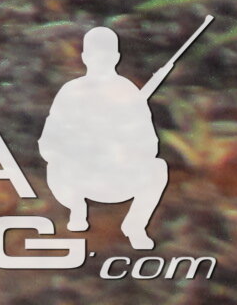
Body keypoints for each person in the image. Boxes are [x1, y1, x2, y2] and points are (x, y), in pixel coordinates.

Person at [41, 26, 170, 249]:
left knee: (158, 168)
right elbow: (49, 141)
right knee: (54, 166)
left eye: (106, 55)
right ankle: (77, 209)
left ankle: (135, 225)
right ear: (85, 57)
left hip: (119, 177)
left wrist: (122, 143)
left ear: (116, 57)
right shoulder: (71, 92)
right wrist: (77, 147)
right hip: (78, 177)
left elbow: (150, 144)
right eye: (95, 55)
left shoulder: (128, 93)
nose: (100, 61)